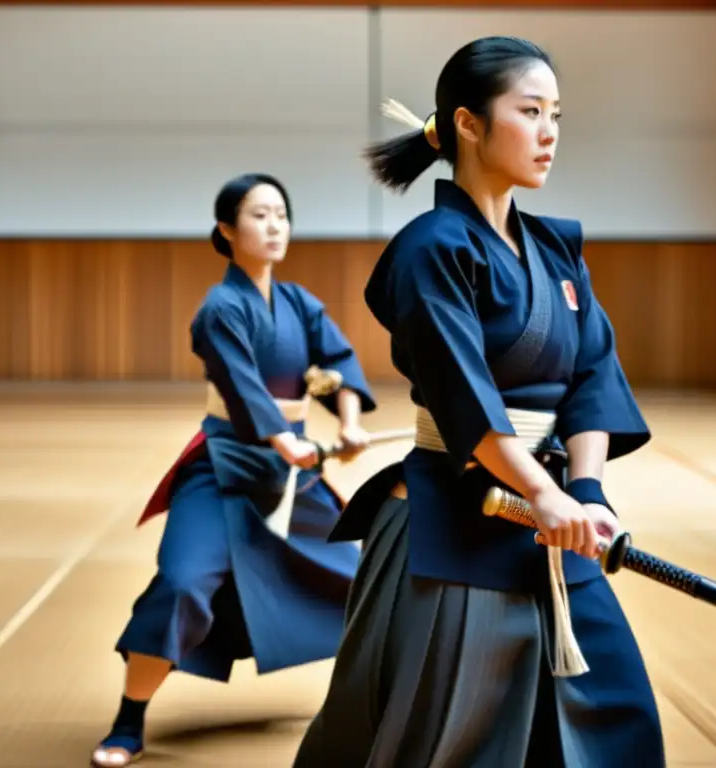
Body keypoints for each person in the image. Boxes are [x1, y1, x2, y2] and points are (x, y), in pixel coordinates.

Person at [292, 37, 665, 767]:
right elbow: (466, 396)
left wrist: (583, 492)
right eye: (530, 111)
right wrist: (541, 492)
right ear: (468, 123)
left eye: (556, 113)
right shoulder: (433, 248)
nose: (550, 130)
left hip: (553, 519)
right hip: (461, 518)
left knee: (618, 717)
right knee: (453, 738)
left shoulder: (557, 251)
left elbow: (595, 373)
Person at [91, 173, 378, 768]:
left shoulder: (299, 302)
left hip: (290, 476)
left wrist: (348, 421)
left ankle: (379, 705)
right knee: (182, 582)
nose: (274, 226)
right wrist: (284, 440)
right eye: (259, 215)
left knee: (368, 579)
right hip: (225, 466)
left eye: (281, 214)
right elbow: (243, 388)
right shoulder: (220, 308)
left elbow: (340, 363)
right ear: (226, 230)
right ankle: (128, 721)